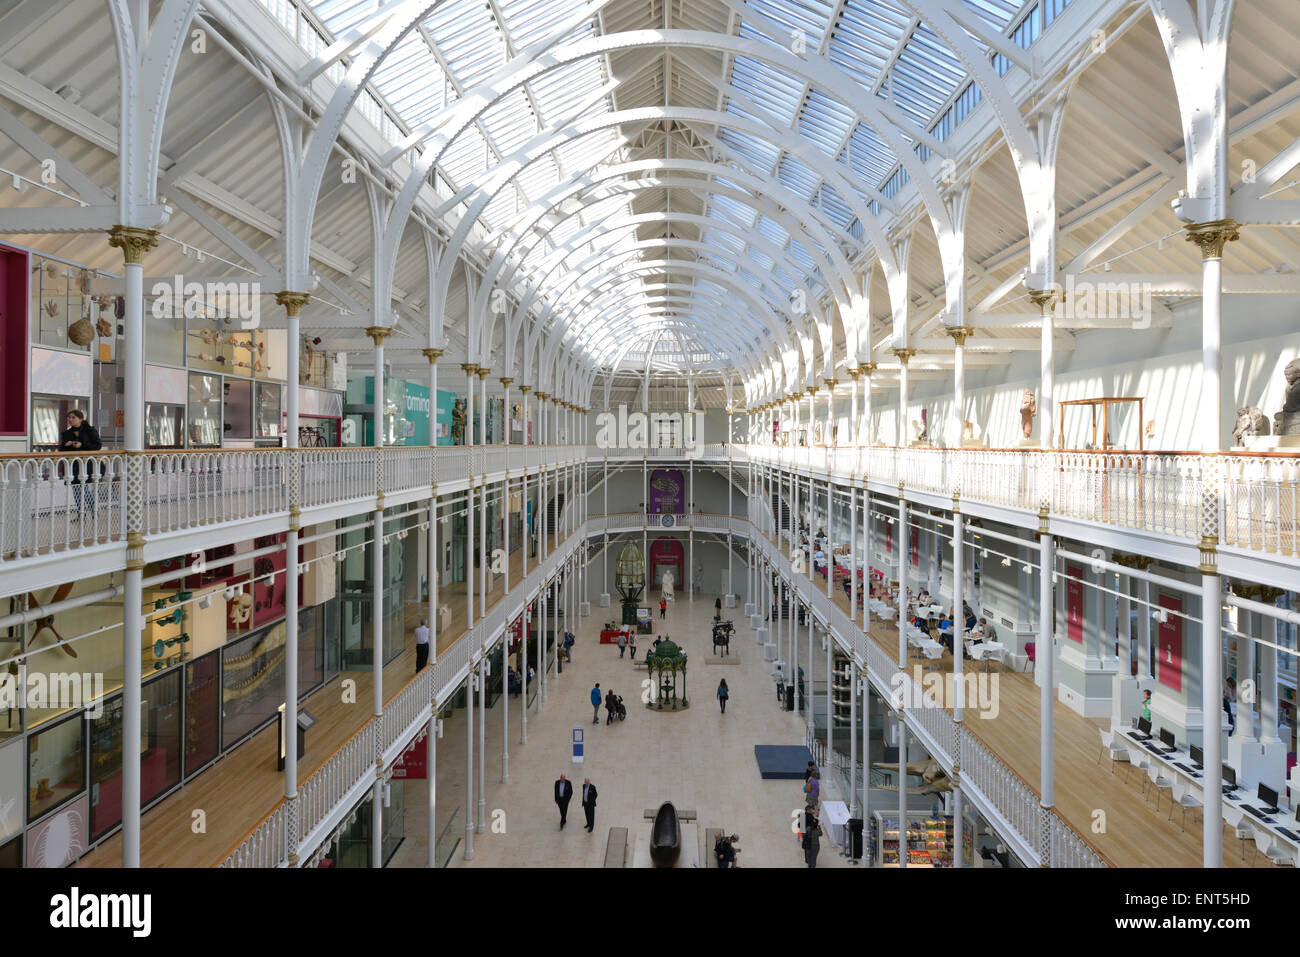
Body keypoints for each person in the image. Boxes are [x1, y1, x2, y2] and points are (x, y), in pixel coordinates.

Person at [61, 409, 102, 514]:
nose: (70, 419)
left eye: (73, 417)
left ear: (80, 419)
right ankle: (81, 513)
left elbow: (97, 446)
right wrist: (66, 445)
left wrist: (82, 445)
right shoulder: (66, 433)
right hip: (73, 465)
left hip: (86, 464)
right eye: (69, 417)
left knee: (83, 488)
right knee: (75, 489)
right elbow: (61, 450)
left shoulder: (90, 430)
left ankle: (93, 509)